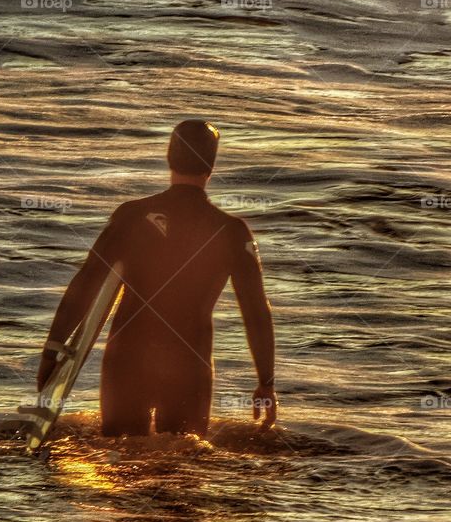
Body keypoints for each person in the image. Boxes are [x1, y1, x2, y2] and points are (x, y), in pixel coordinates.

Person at [36, 120, 276, 437]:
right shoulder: (231, 231)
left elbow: (86, 283)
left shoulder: (130, 216)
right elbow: (255, 310)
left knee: (120, 453)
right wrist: (266, 382)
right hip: (189, 363)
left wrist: (53, 350)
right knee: (183, 456)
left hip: (128, 358)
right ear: (212, 165)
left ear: (168, 156)